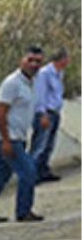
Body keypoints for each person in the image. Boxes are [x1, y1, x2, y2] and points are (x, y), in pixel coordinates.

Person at [0, 46, 46, 223]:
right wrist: (6, 140)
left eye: (38, 61)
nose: (34, 64)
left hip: (19, 136)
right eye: (30, 60)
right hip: (8, 137)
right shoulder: (11, 83)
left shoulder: (32, 82)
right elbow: (1, 113)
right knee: (29, 172)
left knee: (0, 174)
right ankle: (23, 211)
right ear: (21, 60)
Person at [31, 48, 69, 183]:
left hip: (55, 112)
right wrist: (42, 114)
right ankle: (31, 174)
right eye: (66, 58)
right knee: (39, 145)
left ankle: (43, 171)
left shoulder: (59, 73)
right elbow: (39, 95)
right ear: (61, 59)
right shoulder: (44, 74)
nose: (68, 61)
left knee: (49, 145)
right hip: (46, 113)